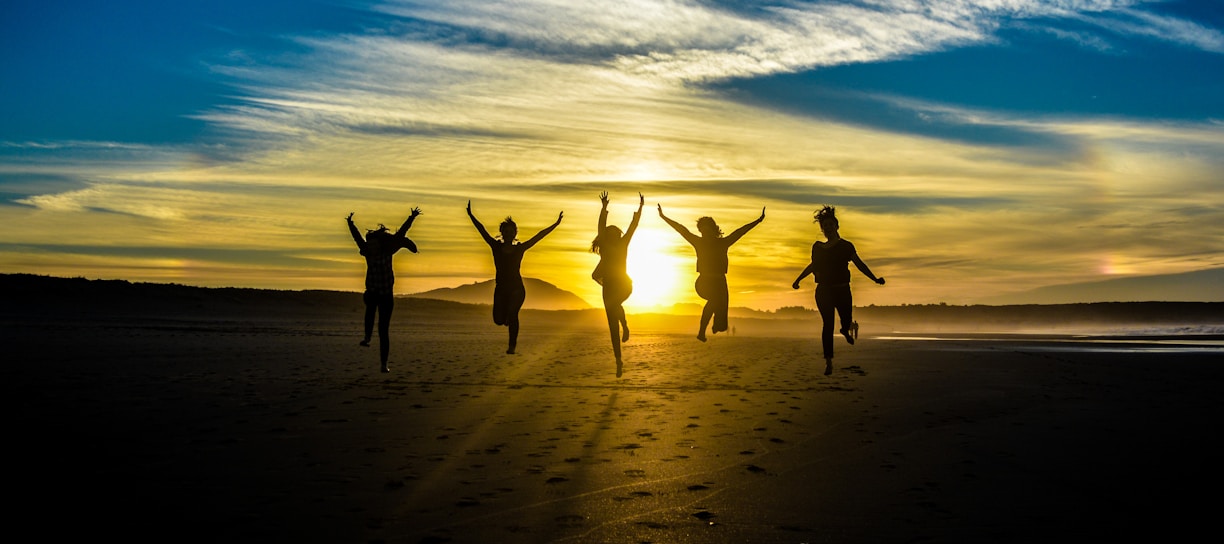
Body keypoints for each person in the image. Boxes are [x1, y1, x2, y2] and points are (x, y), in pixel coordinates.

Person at [792, 205, 885, 376]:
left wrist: (874, 278)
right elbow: (814, 266)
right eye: (824, 226)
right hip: (824, 291)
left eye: (830, 225)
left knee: (846, 319)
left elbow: (859, 264)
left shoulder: (846, 246)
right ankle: (829, 362)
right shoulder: (818, 247)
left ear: (836, 226)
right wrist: (798, 279)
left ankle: (845, 329)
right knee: (827, 324)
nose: (827, 228)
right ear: (822, 229)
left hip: (843, 291)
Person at [467, 200, 563, 354]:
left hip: (517, 288)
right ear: (502, 232)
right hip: (501, 288)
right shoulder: (496, 246)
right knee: (498, 320)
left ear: (515, 233)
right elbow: (482, 230)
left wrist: (556, 224)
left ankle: (512, 346)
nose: (509, 234)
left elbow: (538, 236)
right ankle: (506, 319)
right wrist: (471, 215)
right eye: (506, 231)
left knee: (513, 314)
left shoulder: (520, 249)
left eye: (512, 231)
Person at [658, 203, 764, 342]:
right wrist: (663, 217)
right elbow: (681, 229)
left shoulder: (723, 243)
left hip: (720, 282)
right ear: (700, 231)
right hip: (704, 282)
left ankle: (715, 326)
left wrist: (758, 220)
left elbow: (740, 231)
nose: (704, 232)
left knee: (722, 323)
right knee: (714, 300)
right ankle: (701, 332)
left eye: (707, 229)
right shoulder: (698, 242)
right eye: (702, 230)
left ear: (712, 229)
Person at [347, 208, 421, 373]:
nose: (371, 247)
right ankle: (367, 337)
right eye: (370, 245)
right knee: (370, 309)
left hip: (386, 296)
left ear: (379, 244)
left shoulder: (388, 251)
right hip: (373, 292)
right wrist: (350, 223)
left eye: (374, 245)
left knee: (383, 330)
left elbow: (401, 234)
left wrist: (412, 217)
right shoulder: (367, 253)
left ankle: (383, 364)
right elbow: (357, 238)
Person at [591, 191, 643, 377]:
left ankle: (625, 324)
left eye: (615, 232)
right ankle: (618, 361)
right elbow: (600, 227)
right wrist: (604, 208)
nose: (613, 234)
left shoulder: (623, 244)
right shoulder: (604, 246)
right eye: (609, 232)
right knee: (612, 327)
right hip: (609, 288)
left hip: (624, 284)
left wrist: (640, 210)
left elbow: (632, 228)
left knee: (614, 305)